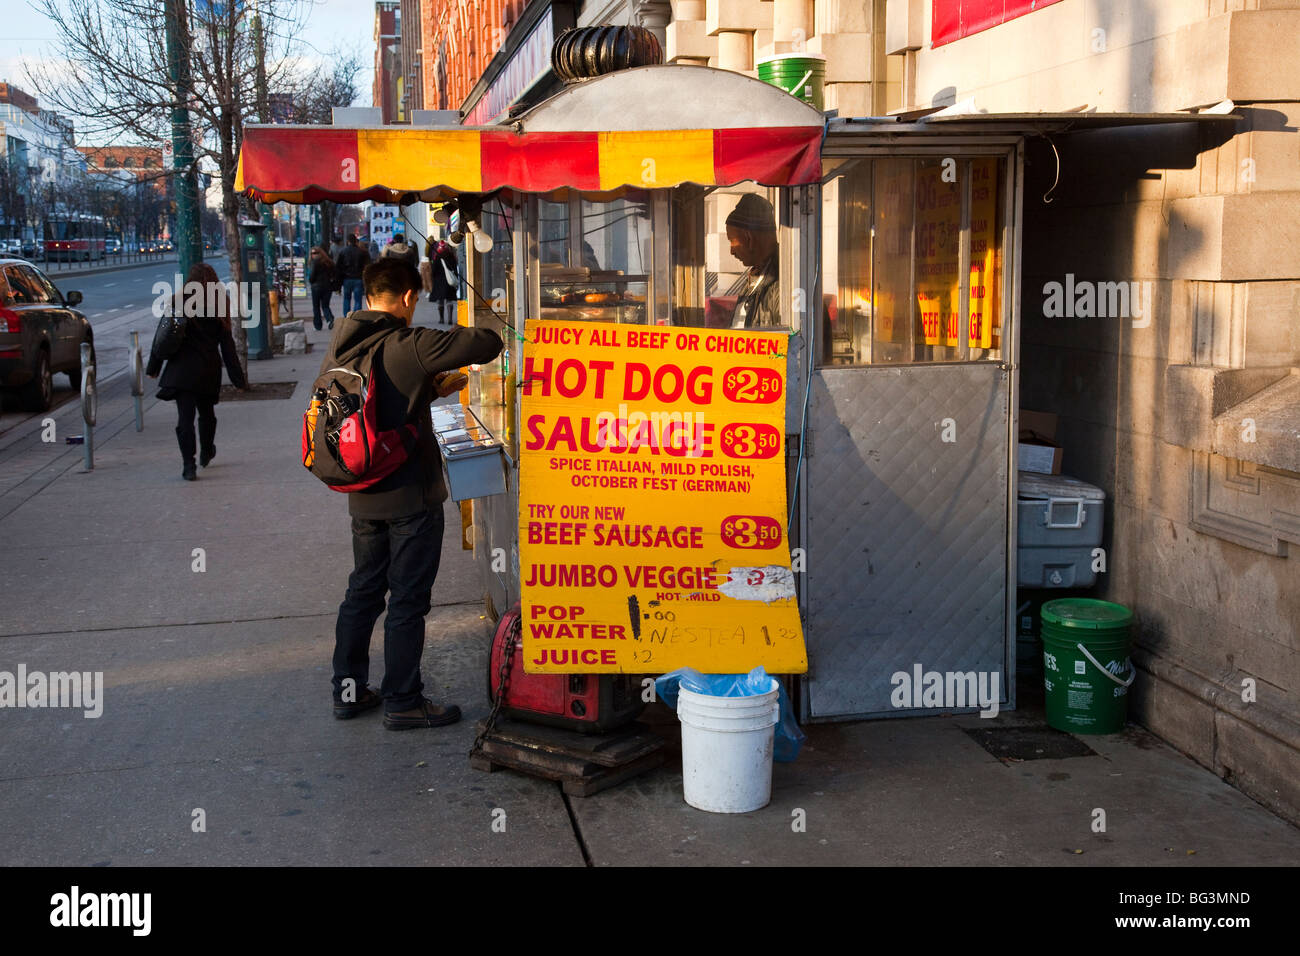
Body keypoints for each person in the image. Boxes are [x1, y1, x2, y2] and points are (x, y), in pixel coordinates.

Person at [325, 256, 503, 729]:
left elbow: (373, 405)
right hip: (410, 497)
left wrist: (427, 391)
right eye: (416, 300)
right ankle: (403, 699)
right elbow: (486, 342)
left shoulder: (341, 345)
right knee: (407, 598)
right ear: (407, 298)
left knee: (363, 590)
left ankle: (348, 690)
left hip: (362, 492)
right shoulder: (408, 342)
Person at [146, 262, 248, 480]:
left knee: (185, 419)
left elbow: (161, 337)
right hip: (207, 370)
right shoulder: (219, 305)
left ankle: (188, 465)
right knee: (207, 414)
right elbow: (228, 347)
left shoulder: (178, 302)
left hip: (181, 371)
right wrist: (238, 379)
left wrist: (153, 368)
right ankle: (206, 450)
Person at [724, 193, 782, 328]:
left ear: (749, 239)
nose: (731, 251)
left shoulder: (784, 282)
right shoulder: (757, 276)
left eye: (732, 241)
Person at [424, 236, 460, 324]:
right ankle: (450, 319)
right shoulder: (451, 257)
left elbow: (434, 270)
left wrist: (432, 279)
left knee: (440, 301)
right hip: (449, 282)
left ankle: (441, 319)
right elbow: (455, 269)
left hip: (439, 281)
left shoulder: (437, 257)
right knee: (449, 300)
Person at [336, 234, 370, 315]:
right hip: (358, 278)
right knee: (358, 299)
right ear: (355, 241)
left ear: (348, 241)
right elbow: (367, 265)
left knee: (347, 299)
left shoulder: (343, 252)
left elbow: (338, 267)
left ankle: (347, 316)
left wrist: (338, 282)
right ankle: (357, 316)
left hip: (347, 278)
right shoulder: (362, 252)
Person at [308, 245, 337, 331]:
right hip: (327, 287)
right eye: (312, 253)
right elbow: (335, 273)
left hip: (316, 287)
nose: (313, 255)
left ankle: (318, 325)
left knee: (316, 306)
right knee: (325, 305)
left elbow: (312, 276)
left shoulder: (315, 262)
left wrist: (311, 281)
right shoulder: (329, 262)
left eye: (314, 253)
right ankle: (330, 319)